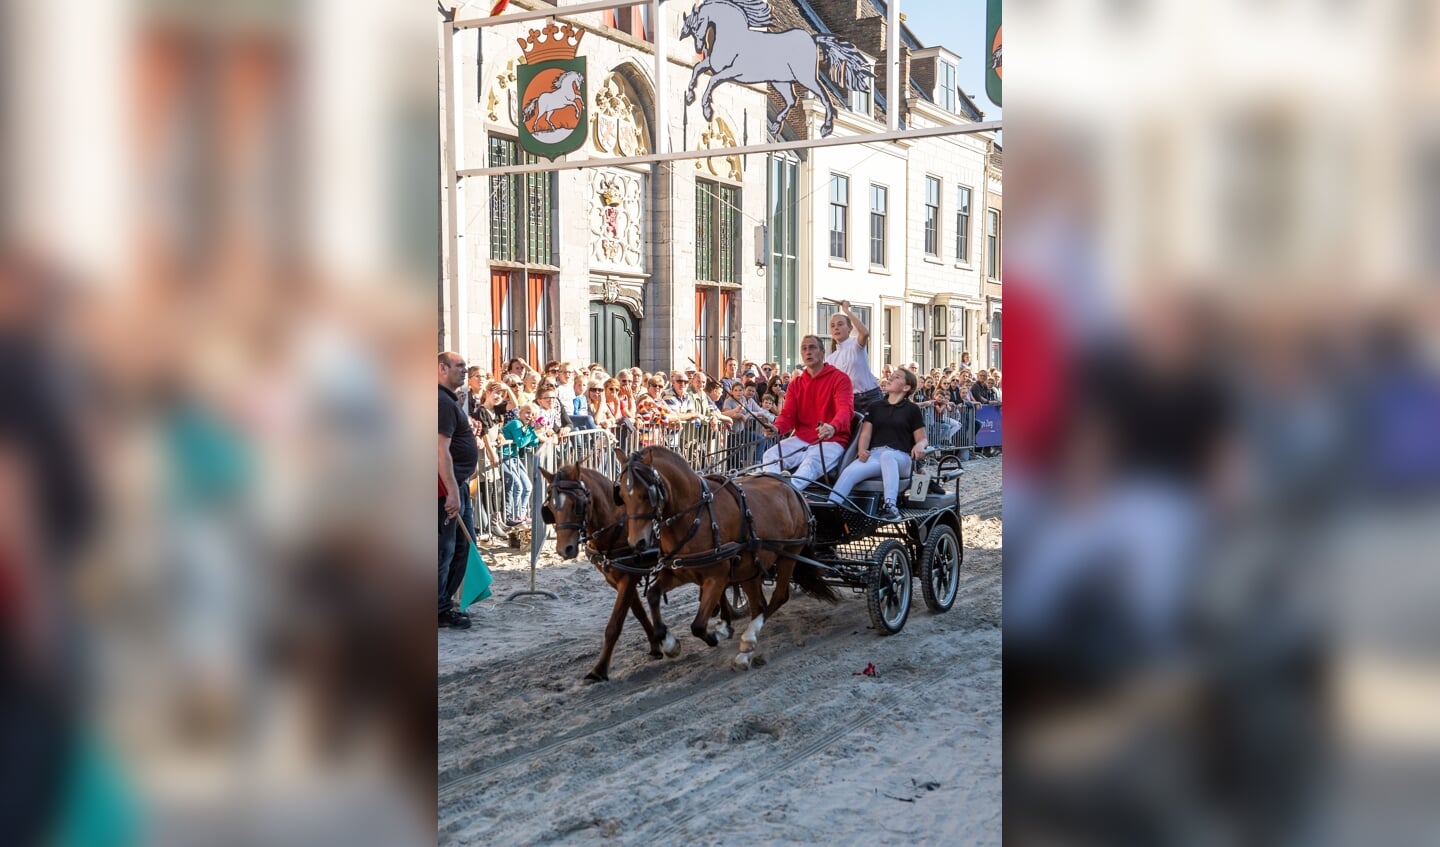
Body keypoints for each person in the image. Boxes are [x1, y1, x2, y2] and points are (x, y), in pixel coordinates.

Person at [828, 368, 928, 520]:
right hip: (875, 455)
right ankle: (831, 508)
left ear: (906, 387)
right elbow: (866, 433)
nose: (891, 377)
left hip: (901, 458)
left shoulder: (912, 409)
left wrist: (920, 445)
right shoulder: (875, 406)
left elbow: (922, 438)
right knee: (850, 471)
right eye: (892, 375)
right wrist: (862, 450)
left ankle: (890, 506)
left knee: (888, 456)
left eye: (897, 377)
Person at [759, 335, 854, 491]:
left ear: (822, 352)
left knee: (809, 464)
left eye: (812, 347)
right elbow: (788, 414)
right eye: (804, 348)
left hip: (832, 440)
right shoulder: (796, 383)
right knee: (770, 456)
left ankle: (785, 496)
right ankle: (775, 494)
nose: (808, 352)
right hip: (803, 438)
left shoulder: (840, 378)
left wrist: (832, 427)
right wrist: (776, 428)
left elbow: (845, 410)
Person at [438, 352, 477, 629]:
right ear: (441, 368)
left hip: (457, 485)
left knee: (462, 546)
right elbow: (440, 450)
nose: (465, 370)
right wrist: (452, 491)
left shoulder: (448, 400)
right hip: (444, 489)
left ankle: (443, 601)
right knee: (446, 550)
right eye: (459, 366)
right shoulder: (440, 401)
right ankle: (439, 607)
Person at [500, 403, 541, 526]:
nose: (530, 416)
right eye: (527, 412)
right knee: (517, 486)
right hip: (505, 456)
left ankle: (521, 515)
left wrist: (534, 430)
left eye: (533, 414)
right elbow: (521, 442)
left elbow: (533, 443)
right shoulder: (516, 423)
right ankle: (514, 515)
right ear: (520, 412)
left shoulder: (526, 426)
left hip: (514, 457)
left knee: (527, 486)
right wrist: (532, 432)